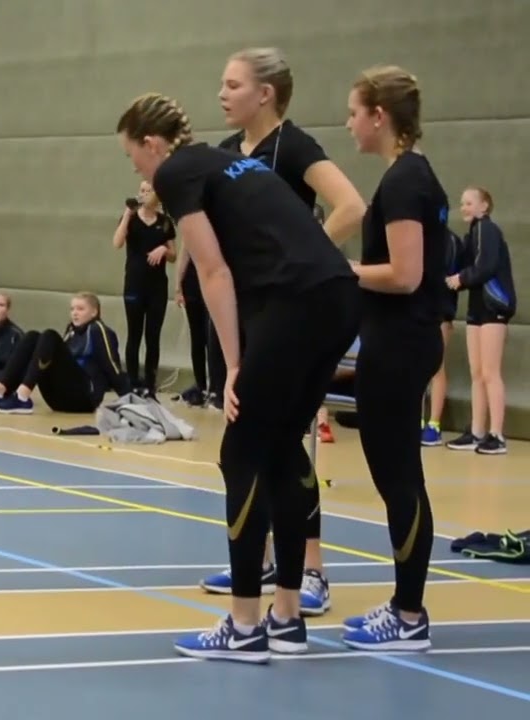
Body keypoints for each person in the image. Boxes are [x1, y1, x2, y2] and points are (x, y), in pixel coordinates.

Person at [116, 92, 360, 663]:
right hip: (338, 300)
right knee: (283, 448)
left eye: (135, 161)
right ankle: (288, 617)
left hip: (295, 304)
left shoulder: (177, 170)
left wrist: (233, 365)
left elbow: (214, 271)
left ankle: (245, 624)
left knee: (242, 452)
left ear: (152, 146)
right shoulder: (230, 161)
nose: (141, 176)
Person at [195, 47, 368, 618]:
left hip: (290, 313)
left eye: (233, 84)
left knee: (289, 444)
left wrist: (304, 259)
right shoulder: (223, 156)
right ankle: (263, 557)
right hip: (243, 314)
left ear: (264, 93)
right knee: (247, 437)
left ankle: (312, 569)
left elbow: (350, 205)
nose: (221, 94)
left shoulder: (292, 146)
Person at [340, 66, 449, 651]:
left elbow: (405, 275)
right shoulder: (407, 176)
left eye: (355, 112)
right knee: (396, 478)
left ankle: (409, 616)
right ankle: (406, 603)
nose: (350, 123)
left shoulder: (406, 181)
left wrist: (344, 272)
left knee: (400, 479)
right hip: (397, 340)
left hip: (401, 342)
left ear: (380, 116)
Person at [444, 186, 514, 455]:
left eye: (469, 202)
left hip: (494, 305)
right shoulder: (471, 234)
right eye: (462, 203)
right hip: (477, 307)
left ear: (484, 206)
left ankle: (497, 433)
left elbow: (485, 266)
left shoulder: (487, 229)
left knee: (490, 372)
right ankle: (477, 431)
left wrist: (460, 279)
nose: (464, 207)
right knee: (477, 373)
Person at [0, 293, 128, 415]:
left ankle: (22, 397)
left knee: (49, 335)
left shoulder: (98, 329)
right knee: (32, 336)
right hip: (58, 400)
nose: (74, 313)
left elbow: (112, 366)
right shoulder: (71, 331)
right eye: (72, 309)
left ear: (94, 312)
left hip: (84, 398)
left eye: (80, 309)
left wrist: (130, 400)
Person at [112, 181, 175, 396]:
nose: (144, 194)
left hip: (157, 286)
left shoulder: (165, 222)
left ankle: (150, 383)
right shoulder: (130, 219)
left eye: (149, 191)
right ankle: (131, 381)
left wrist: (163, 251)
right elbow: (117, 243)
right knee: (134, 333)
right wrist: (127, 215)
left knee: (153, 336)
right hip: (134, 284)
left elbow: (174, 255)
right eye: (142, 190)